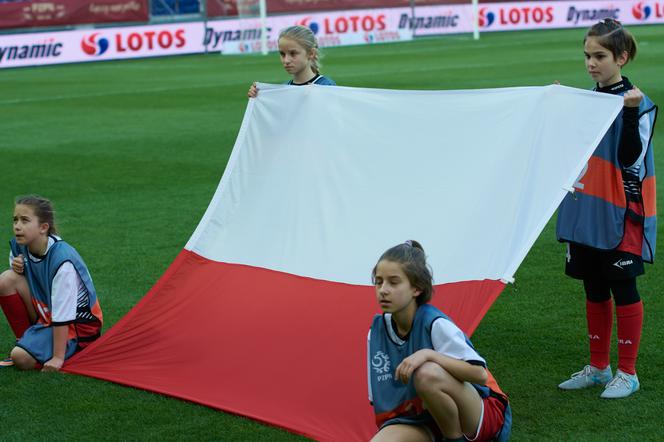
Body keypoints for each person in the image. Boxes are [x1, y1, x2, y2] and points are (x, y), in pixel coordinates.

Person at [556, 18, 657, 399]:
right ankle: (599, 367)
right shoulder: (590, 101)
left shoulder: (639, 103)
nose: (591, 63)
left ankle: (628, 373)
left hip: (620, 214)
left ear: (622, 57)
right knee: (593, 286)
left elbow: (631, 158)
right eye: (587, 56)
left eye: (599, 56)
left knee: (622, 288)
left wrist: (629, 112)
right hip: (586, 212)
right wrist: (560, 106)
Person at [367, 240, 511, 441]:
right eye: (379, 281)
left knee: (427, 373)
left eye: (394, 282)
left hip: (481, 411)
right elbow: (378, 400)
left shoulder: (435, 323)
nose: (383, 289)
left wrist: (427, 354)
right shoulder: (375, 332)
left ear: (416, 288)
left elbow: (478, 374)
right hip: (424, 417)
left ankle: (454, 439)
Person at [0, 195, 103, 371]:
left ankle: (53, 351)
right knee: (6, 280)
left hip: (77, 326)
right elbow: (22, 275)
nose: (17, 226)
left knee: (20, 358)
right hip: (48, 314)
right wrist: (18, 266)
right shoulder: (21, 246)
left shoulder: (62, 260)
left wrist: (57, 358)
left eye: (25, 220)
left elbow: (63, 314)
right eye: (15, 220)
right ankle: (25, 340)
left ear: (43, 227)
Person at [247, 25, 335, 98]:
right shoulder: (284, 89)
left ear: (311, 53)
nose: (286, 60)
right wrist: (258, 96)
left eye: (293, 53)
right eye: (282, 54)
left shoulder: (326, 86)